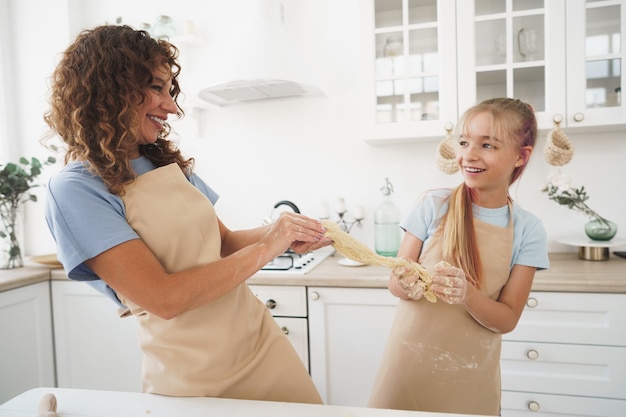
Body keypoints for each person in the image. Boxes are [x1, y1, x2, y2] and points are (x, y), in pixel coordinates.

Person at [42, 24, 331, 404]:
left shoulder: (164, 163)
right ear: (111, 89)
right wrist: (268, 248)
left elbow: (224, 243)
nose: (172, 106)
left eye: (169, 90)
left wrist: (284, 233)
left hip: (260, 344)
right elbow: (164, 298)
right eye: (157, 88)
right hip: (194, 377)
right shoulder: (76, 189)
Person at [367, 98, 549, 415]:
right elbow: (395, 284)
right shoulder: (433, 205)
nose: (469, 154)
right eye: (464, 142)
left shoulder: (528, 229)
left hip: (471, 378)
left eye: (488, 145)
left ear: (521, 157)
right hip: (407, 370)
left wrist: (466, 294)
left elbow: (507, 319)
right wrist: (405, 283)